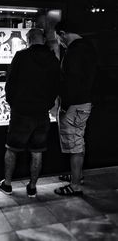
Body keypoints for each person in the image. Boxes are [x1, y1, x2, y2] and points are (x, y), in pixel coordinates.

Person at [0, 28, 60, 197]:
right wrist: (46, 104)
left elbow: (9, 84)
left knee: (12, 149)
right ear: (43, 39)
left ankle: (8, 184)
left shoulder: (21, 56)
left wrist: (13, 104)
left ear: (28, 39)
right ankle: (32, 187)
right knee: (37, 151)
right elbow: (56, 86)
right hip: (42, 113)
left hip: (21, 112)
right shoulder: (52, 59)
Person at [54, 21, 97, 196]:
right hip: (84, 102)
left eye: (58, 38)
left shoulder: (74, 51)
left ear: (62, 33)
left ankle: (75, 185)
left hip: (74, 104)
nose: (59, 42)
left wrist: (63, 106)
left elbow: (70, 82)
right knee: (79, 140)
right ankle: (77, 176)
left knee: (75, 145)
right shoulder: (88, 47)